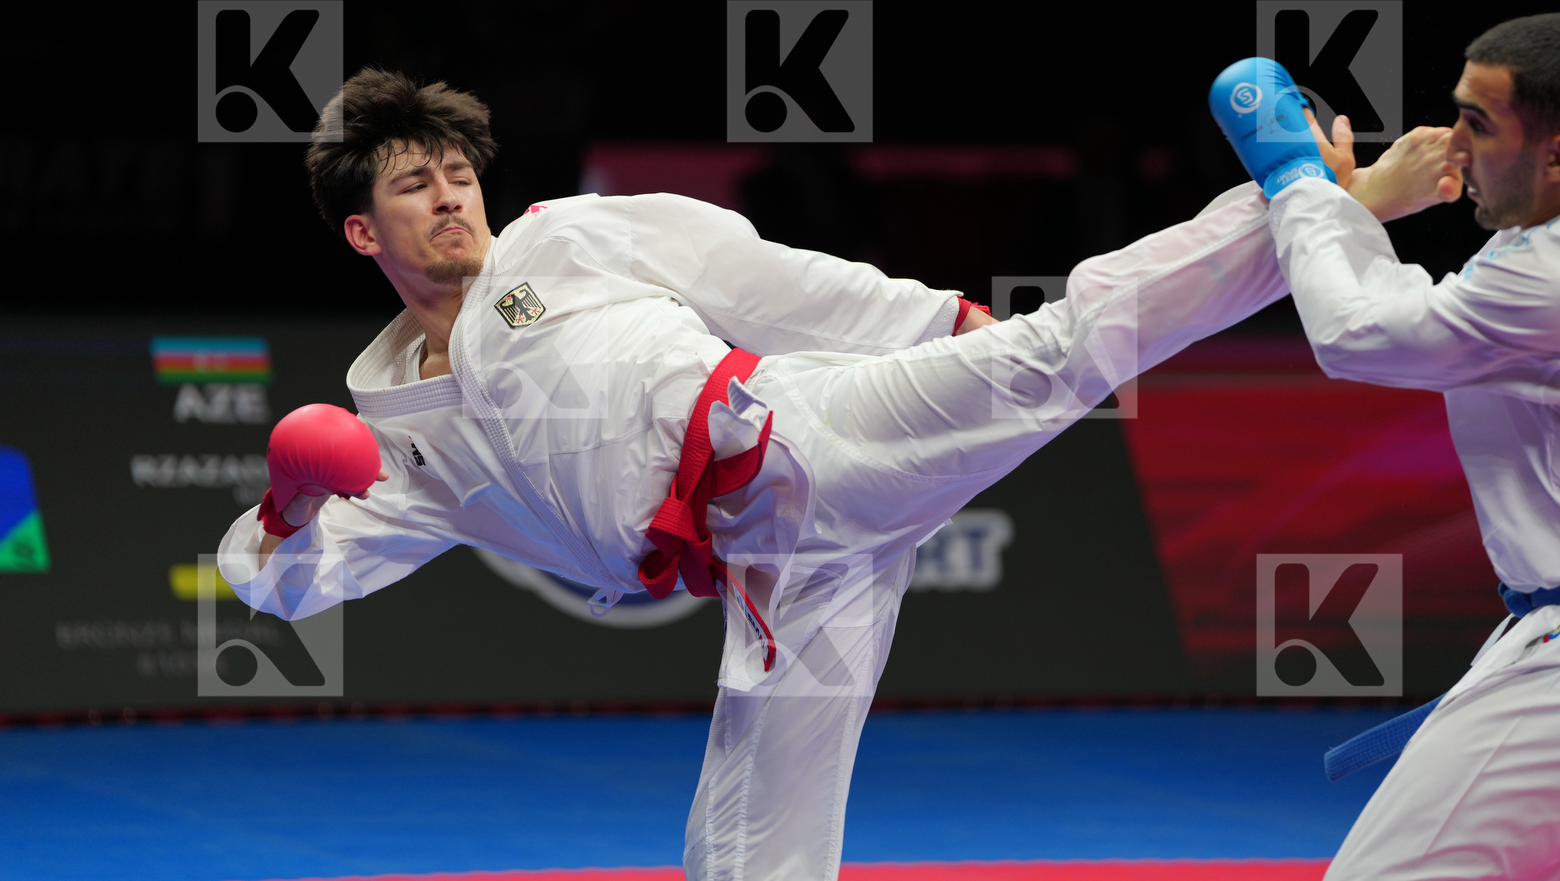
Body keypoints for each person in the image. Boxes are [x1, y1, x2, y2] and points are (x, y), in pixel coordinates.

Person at [219, 67, 1423, 881]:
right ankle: (1300, 209)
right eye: (414, 185)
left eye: (456, 173)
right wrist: (289, 499)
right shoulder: (401, 440)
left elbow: (767, 278)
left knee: (1053, 351)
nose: (449, 197)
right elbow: (282, 584)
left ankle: (1293, 193)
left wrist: (939, 321)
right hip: (775, 575)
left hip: (798, 439)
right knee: (747, 852)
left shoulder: (561, 237)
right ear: (363, 232)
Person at [1269, 13, 1560, 879]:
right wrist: (1360, 210)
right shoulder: (1548, 248)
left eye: (1477, 125)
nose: (1448, 141)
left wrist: (1300, 182)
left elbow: (1353, 333)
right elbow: (1415, 312)